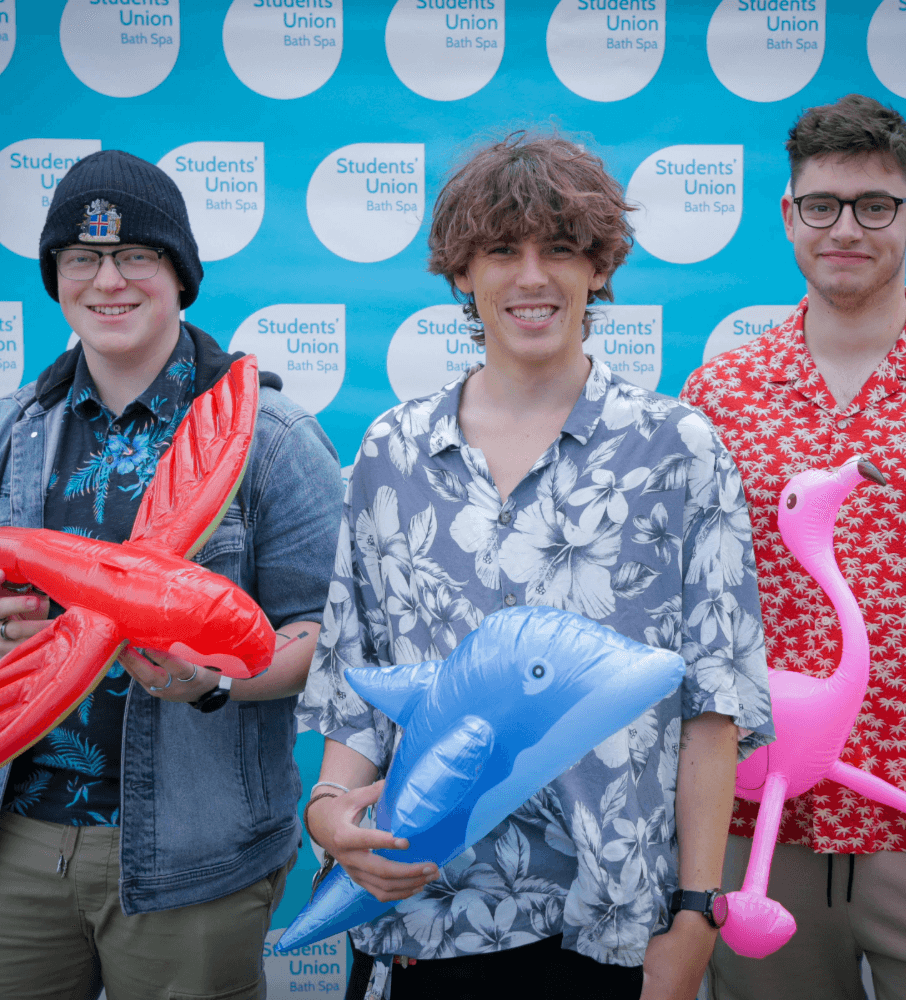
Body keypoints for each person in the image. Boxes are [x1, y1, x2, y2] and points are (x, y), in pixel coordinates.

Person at [296, 132, 774, 1000]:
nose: (530, 277)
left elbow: (715, 703)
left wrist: (697, 910)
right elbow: (354, 682)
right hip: (421, 917)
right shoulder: (394, 452)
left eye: (560, 249)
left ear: (599, 268)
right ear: (461, 274)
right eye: (500, 250)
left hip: (611, 928)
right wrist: (330, 819)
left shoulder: (679, 450)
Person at [0, 150, 343, 1000]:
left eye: (136, 257)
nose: (108, 280)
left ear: (179, 274)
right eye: (81, 258)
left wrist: (213, 682)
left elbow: (330, 635)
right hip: (21, 840)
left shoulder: (269, 434)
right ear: (56, 278)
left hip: (195, 855)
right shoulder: (18, 429)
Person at [681, 94, 906, 999]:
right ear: (789, 216)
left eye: (874, 205)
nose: (846, 228)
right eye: (822, 205)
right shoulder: (723, 392)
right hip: (758, 835)